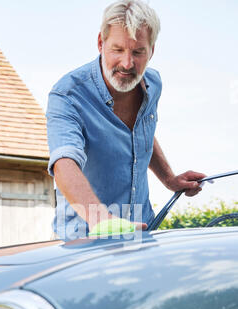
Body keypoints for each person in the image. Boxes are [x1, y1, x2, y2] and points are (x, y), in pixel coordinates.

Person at [46, 0, 206, 240]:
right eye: (118, 49)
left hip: (141, 232)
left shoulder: (153, 85)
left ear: (152, 50)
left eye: (138, 51)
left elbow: (141, 133)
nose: (127, 63)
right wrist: (99, 218)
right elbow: (64, 161)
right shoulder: (68, 94)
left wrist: (169, 179)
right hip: (86, 240)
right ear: (101, 43)